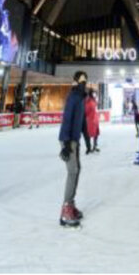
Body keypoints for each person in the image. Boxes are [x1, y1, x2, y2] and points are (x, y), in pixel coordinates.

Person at [57, 72, 89, 228]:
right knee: (72, 171)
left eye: (85, 80)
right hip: (68, 141)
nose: (84, 83)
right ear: (75, 81)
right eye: (81, 80)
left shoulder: (81, 98)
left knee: (77, 170)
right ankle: (65, 210)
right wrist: (66, 142)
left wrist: (88, 140)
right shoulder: (73, 96)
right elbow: (67, 118)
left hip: (76, 141)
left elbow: (82, 121)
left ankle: (71, 204)